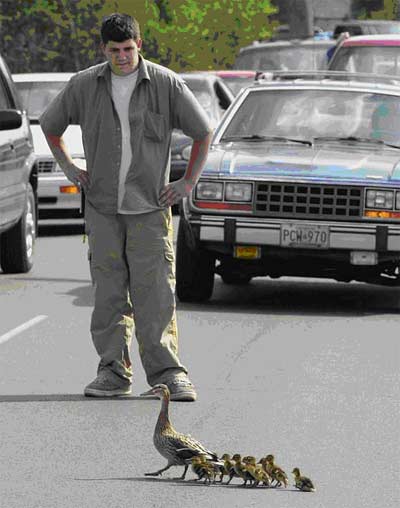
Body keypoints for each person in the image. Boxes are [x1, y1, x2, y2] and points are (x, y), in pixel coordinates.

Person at [39, 13, 212, 402]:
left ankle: (168, 374)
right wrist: (69, 167)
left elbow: (203, 132)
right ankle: (113, 372)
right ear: (103, 49)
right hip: (102, 208)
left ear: (140, 45)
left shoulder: (166, 84)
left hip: (149, 208)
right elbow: (51, 126)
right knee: (109, 293)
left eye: (128, 49)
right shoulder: (84, 85)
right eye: (114, 50)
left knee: (155, 293)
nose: (122, 57)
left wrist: (187, 183)